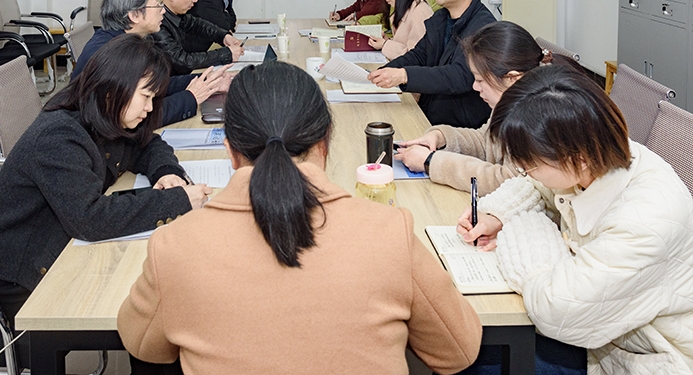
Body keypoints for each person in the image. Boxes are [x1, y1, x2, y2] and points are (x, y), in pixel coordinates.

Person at [118, 61, 483, 375]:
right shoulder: (390, 232)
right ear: (325, 142)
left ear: (230, 150)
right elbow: (458, 350)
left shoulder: (175, 244)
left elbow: (144, 346)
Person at [458, 65, 693, 374]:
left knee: (468, 358)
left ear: (577, 158)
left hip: (638, 357)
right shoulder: (595, 155)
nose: (523, 169)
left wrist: (522, 226)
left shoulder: (646, 218)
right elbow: (536, 185)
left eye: (529, 163)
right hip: (600, 332)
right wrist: (495, 214)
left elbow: (557, 311)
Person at [0, 34, 212, 323]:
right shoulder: (60, 135)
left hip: (63, 247)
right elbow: (90, 219)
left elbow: (147, 144)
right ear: (115, 88)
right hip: (25, 275)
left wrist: (168, 172)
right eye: (146, 97)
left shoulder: (103, 112)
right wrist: (176, 201)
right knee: (148, 306)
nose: (150, 109)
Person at [394, 21, 581, 196]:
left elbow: (507, 180)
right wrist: (442, 137)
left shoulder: (536, 117)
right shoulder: (511, 99)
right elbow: (487, 143)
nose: (475, 87)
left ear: (512, 78)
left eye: (480, 80)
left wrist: (431, 162)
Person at [71, 0, 229, 126]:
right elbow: (138, 117)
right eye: (158, 4)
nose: (163, 10)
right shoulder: (113, 55)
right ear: (134, 15)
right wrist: (191, 97)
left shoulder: (125, 41)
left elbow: (154, 85)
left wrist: (209, 81)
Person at [369, 0, 495, 128]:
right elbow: (419, 55)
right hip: (430, 114)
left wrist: (404, 75)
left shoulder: (484, 27)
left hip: (459, 127)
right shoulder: (441, 18)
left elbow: (458, 76)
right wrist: (385, 70)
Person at [152, 0, 244, 75]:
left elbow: (198, 25)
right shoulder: (156, 23)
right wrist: (226, 54)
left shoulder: (175, 13)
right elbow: (183, 62)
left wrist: (223, 36)